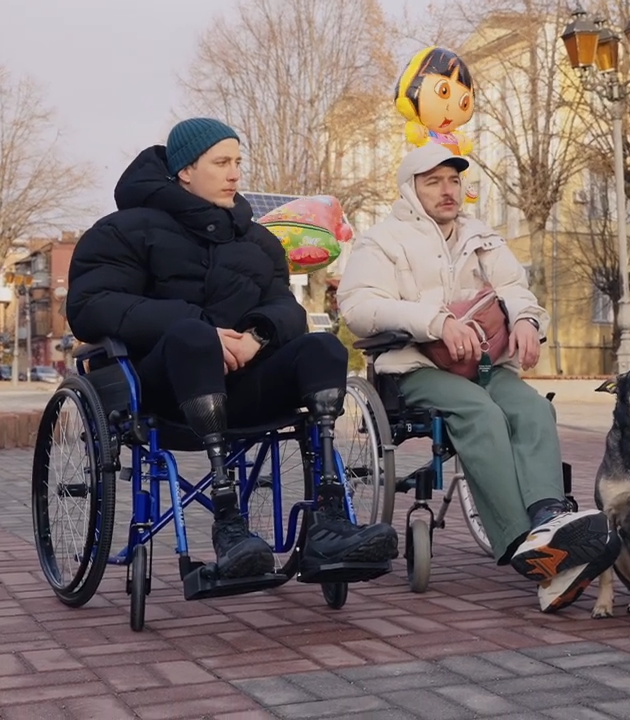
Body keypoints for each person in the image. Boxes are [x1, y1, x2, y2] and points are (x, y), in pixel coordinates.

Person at [65, 117, 399, 585]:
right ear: (184, 170)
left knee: (321, 347)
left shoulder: (258, 240)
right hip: (164, 389)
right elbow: (89, 307)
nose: (235, 174)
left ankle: (328, 523)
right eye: (222, 162)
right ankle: (228, 525)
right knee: (193, 336)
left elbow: (285, 307)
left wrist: (257, 336)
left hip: (245, 384)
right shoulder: (122, 231)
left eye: (238, 162)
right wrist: (198, 324)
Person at [336, 143, 621, 612]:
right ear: (411, 190)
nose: (448, 191)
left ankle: (548, 515)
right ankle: (522, 543)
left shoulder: (482, 236)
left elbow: (515, 291)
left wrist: (528, 322)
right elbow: (359, 307)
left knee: (532, 408)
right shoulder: (381, 240)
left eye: (454, 180)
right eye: (434, 182)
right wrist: (435, 321)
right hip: (414, 365)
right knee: (481, 414)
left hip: (485, 363)